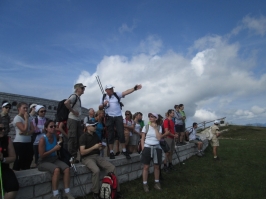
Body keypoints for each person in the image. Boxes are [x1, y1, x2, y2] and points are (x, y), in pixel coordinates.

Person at [79, 120, 122, 199]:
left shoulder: (95, 135)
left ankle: (116, 190)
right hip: (87, 157)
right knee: (96, 170)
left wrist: (101, 147)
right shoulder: (83, 137)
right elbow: (82, 152)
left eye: (95, 125)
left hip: (97, 156)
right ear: (88, 127)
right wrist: (94, 147)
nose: (95, 127)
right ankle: (95, 193)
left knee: (112, 168)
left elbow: (98, 147)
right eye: (93, 126)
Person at [99, 84, 142, 159]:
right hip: (109, 116)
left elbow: (126, 92)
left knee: (121, 133)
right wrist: (104, 104)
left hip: (118, 116)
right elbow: (100, 107)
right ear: (106, 90)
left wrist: (134, 88)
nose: (112, 90)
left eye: (112, 88)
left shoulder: (116, 94)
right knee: (110, 134)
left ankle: (124, 150)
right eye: (110, 89)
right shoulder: (103, 97)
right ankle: (111, 151)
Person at [38, 120, 74, 199]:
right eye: (51, 126)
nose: (53, 128)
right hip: (44, 161)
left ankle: (67, 192)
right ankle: (55, 194)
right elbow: (42, 155)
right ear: (46, 128)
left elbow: (60, 137)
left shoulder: (55, 136)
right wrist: (54, 149)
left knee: (67, 168)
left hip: (54, 159)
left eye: (54, 126)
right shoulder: (42, 139)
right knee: (56, 170)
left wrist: (60, 139)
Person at [140, 113, 163, 192]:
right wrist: (143, 148)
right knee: (146, 167)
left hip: (156, 148)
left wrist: (155, 128)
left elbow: (159, 138)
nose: (150, 117)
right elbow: (142, 138)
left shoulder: (159, 127)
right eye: (149, 116)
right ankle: (145, 184)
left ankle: (156, 183)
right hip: (147, 147)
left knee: (156, 166)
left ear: (156, 118)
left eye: (152, 116)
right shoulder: (145, 127)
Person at [64, 83, 86, 163]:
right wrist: (73, 111)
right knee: (73, 138)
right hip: (72, 119)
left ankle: (76, 157)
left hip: (77, 120)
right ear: (77, 89)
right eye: (82, 88)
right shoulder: (74, 96)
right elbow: (66, 102)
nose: (83, 90)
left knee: (78, 138)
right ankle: (72, 157)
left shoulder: (78, 98)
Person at [13, 102, 34, 170]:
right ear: (19, 109)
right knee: (19, 160)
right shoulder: (17, 118)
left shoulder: (29, 118)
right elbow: (24, 129)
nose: (25, 109)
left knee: (28, 159)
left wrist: (26, 133)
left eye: (26, 108)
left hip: (28, 142)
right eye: (24, 108)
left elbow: (33, 129)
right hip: (19, 142)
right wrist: (26, 119)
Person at [0, 123, 19, 199]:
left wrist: (3, 159)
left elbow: (13, 157)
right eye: (0, 129)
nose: (3, 130)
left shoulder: (7, 139)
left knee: (13, 187)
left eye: (4, 128)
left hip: (4, 168)